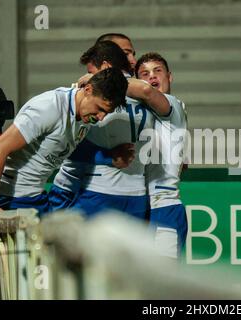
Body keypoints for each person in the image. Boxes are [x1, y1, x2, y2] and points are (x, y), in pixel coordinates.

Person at [49, 35, 171, 219]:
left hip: (100, 191)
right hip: (128, 194)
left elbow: (67, 148)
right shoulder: (150, 96)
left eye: (131, 53)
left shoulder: (90, 92)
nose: (132, 59)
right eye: (125, 53)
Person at [0, 67, 128, 214]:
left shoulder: (86, 116)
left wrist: (109, 157)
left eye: (106, 113)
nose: (101, 117)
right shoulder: (49, 107)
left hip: (36, 197)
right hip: (10, 198)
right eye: (99, 108)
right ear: (88, 90)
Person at [136, 53, 189, 259]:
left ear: (170, 77)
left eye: (157, 71)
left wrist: (103, 82)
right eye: (145, 74)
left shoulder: (171, 103)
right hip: (142, 207)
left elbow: (147, 93)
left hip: (163, 208)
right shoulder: (142, 113)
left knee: (159, 286)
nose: (152, 77)